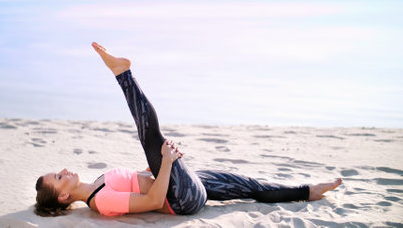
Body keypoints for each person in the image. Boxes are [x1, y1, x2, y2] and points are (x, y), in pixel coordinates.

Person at [34, 42, 342, 217]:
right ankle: (123, 74)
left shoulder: (99, 184)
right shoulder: (102, 200)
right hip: (180, 199)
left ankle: (309, 192)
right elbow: (154, 201)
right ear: (63, 197)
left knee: (246, 184)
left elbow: (141, 182)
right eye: (59, 177)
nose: (64, 170)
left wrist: (158, 166)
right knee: (151, 138)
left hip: (180, 187)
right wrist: (165, 162)